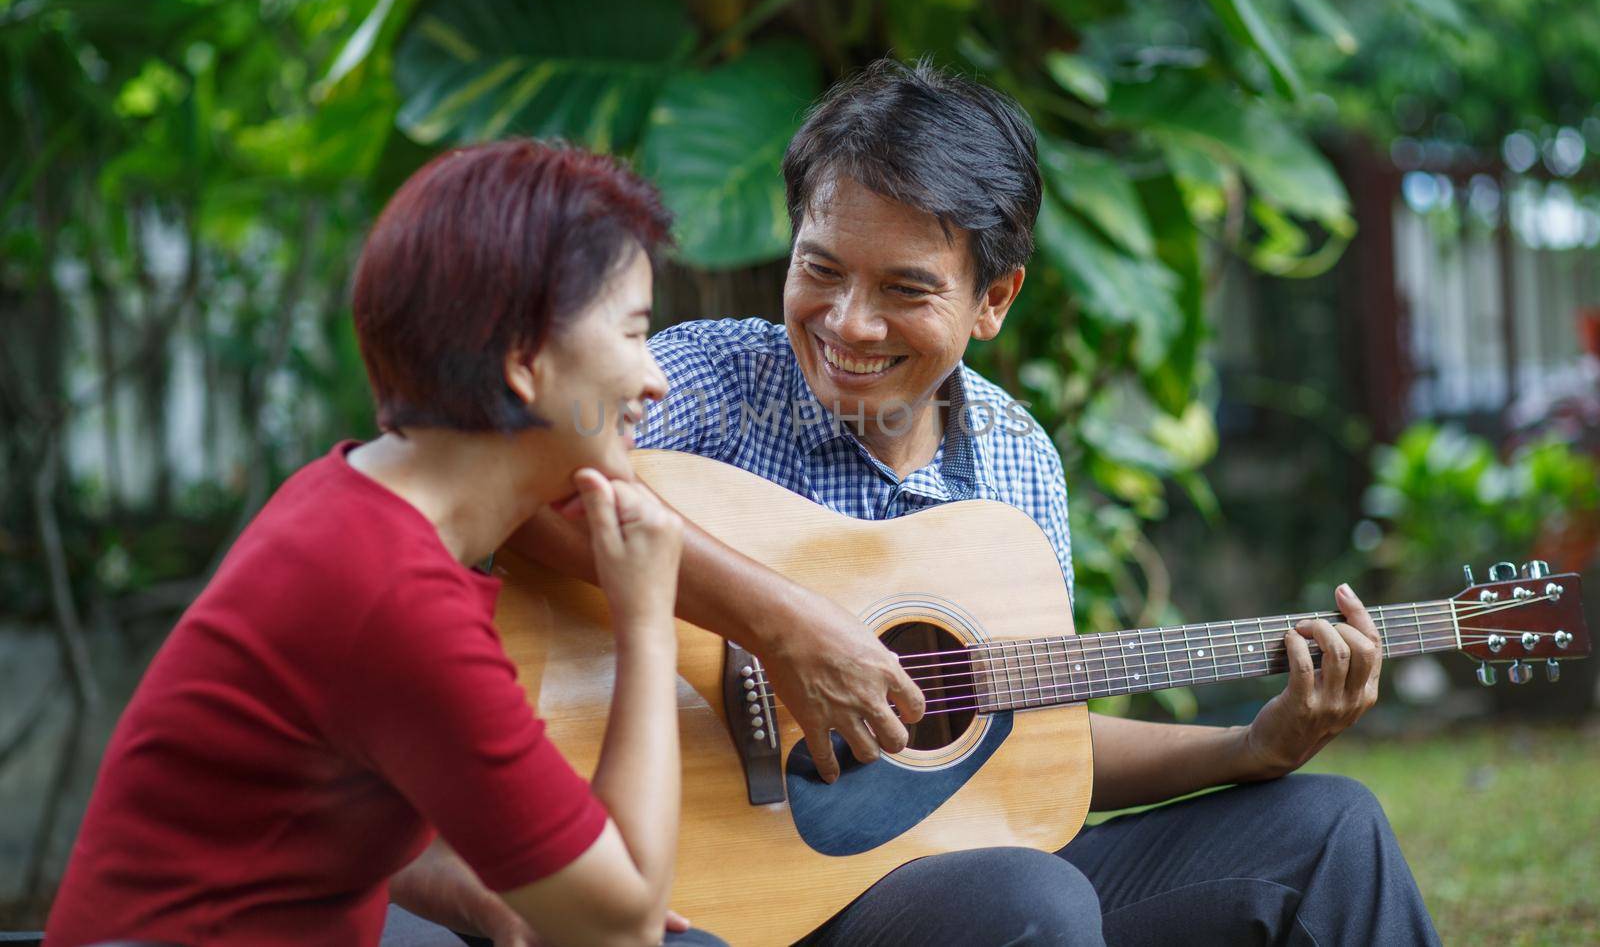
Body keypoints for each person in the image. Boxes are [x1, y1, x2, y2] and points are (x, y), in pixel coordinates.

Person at [513, 61, 1442, 945]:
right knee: (1031, 897)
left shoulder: (1015, 459)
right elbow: (519, 478)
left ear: (994, 298)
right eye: (822, 269)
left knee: (1333, 830)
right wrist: (781, 624)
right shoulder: (711, 379)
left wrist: (1251, 745)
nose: (848, 322)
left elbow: (1026, 738)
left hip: (942, 884)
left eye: (904, 289)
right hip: (740, 894)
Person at [46, 141, 726, 947]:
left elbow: (337, 809)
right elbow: (622, 927)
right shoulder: (394, 593)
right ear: (523, 358)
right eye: (635, 333)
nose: (656, 379)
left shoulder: (348, 503)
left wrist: (488, 894)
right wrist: (645, 616)